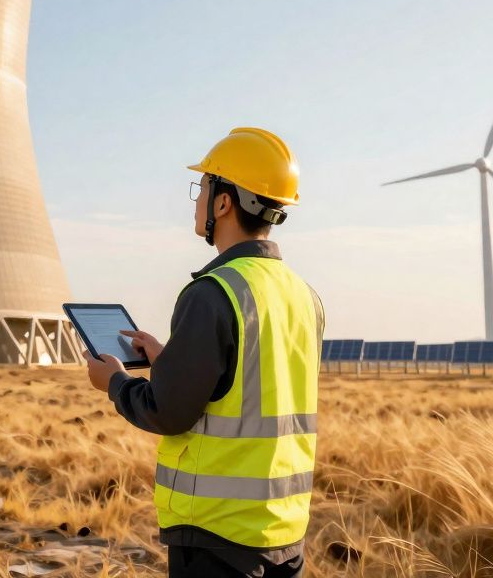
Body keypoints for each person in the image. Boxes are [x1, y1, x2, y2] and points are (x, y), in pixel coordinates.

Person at [85, 127, 324, 578]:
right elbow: (253, 381)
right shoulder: (303, 295)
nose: (197, 200)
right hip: (283, 533)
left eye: (203, 187)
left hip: (218, 538)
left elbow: (167, 413)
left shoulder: (212, 293)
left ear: (223, 202)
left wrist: (115, 383)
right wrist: (169, 360)